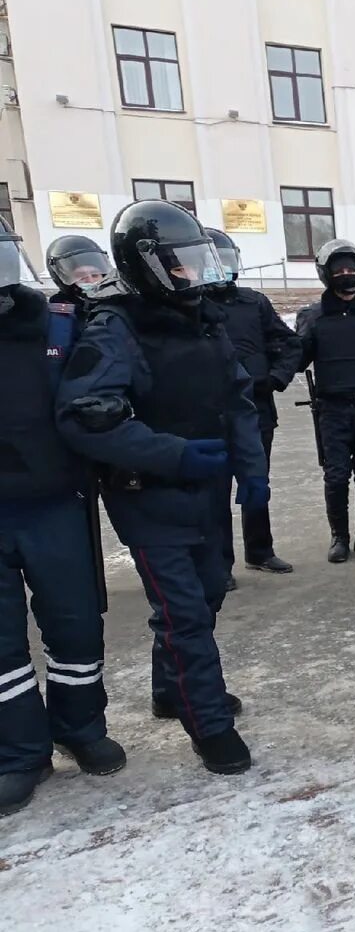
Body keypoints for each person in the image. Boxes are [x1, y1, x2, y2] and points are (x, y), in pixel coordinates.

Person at [55, 200, 266, 775]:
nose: (192, 275)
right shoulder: (115, 326)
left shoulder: (202, 317)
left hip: (206, 485)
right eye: (180, 265)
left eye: (196, 262)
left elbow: (238, 397)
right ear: (146, 265)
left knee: (211, 587)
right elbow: (87, 416)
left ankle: (170, 690)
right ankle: (210, 727)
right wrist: (171, 454)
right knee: (183, 613)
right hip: (147, 490)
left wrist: (252, 470)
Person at [1, 223, 124, 816]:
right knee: (0, 646)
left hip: (56, 504)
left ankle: (80, 727)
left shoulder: (56, 323)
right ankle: (20, 752)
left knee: (74, 626)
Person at [206, 229, 301, 587]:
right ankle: (219, 562)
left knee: (255, 480)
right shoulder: (193, 307)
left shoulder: (253, 302)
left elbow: (288, 343)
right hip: (210, 411)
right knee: (214, 486)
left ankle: (259, 550)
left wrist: (275, 378)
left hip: (256, 408)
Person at [296, 240, 355, 563]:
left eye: (352, 269)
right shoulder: (314, 318)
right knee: (336, 476)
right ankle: (340, 537)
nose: (346, 275)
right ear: (327, 275)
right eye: (339, 270)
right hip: (332, 410)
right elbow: (297, 357)